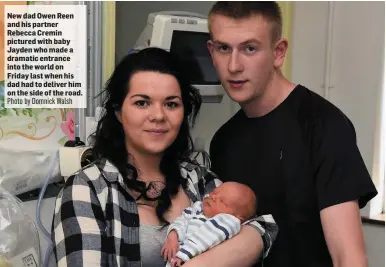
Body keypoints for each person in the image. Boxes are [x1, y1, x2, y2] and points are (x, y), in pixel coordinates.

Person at [51, 47, 278, 267]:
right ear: (119, 112)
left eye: (171, 104)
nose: (158, 116)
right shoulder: (87, 189)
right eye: (142, 103)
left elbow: (261, 228)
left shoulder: (197, 179)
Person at [207, 2, 378, 267]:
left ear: (278, 52)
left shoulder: (323, 125)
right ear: (211, 51)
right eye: (223, 48)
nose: (234, 65)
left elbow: (349, 257)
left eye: (249, 48)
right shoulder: (223, 141)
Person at [162, 182, 257, 267]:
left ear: (238, 217)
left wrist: (183, 255)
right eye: (214, 192)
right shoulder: (197, 209)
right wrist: (173, 236)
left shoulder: (229, 222)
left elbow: (205, 238)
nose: (213, 197)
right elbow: (181, 220)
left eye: (222, 201)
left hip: (188, 258)